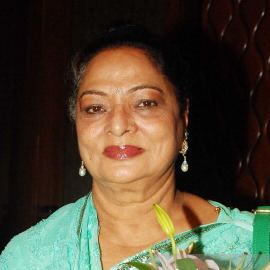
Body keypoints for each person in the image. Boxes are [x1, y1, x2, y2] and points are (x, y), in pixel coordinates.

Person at [0, 24, 253, 270]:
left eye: (144, 103)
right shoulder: (27, 257)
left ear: (183, 115)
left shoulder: (253, 248)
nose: (119, 125)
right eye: (95, 108)